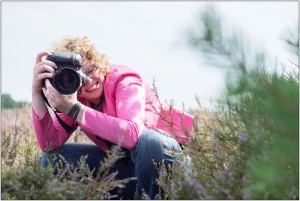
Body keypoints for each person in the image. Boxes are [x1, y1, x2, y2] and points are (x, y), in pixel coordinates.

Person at [32, 36, 194, 199]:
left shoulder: (125, 81)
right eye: (79, 77)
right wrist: (36, 93)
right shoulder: (76, 99)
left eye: (91, 70)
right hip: (131, 172)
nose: (88, 80)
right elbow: (49, 145)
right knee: (51, 159)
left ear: (100, 64)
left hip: (169, 167)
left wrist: (75, 109)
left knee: (150, 141)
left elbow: (132, 135)